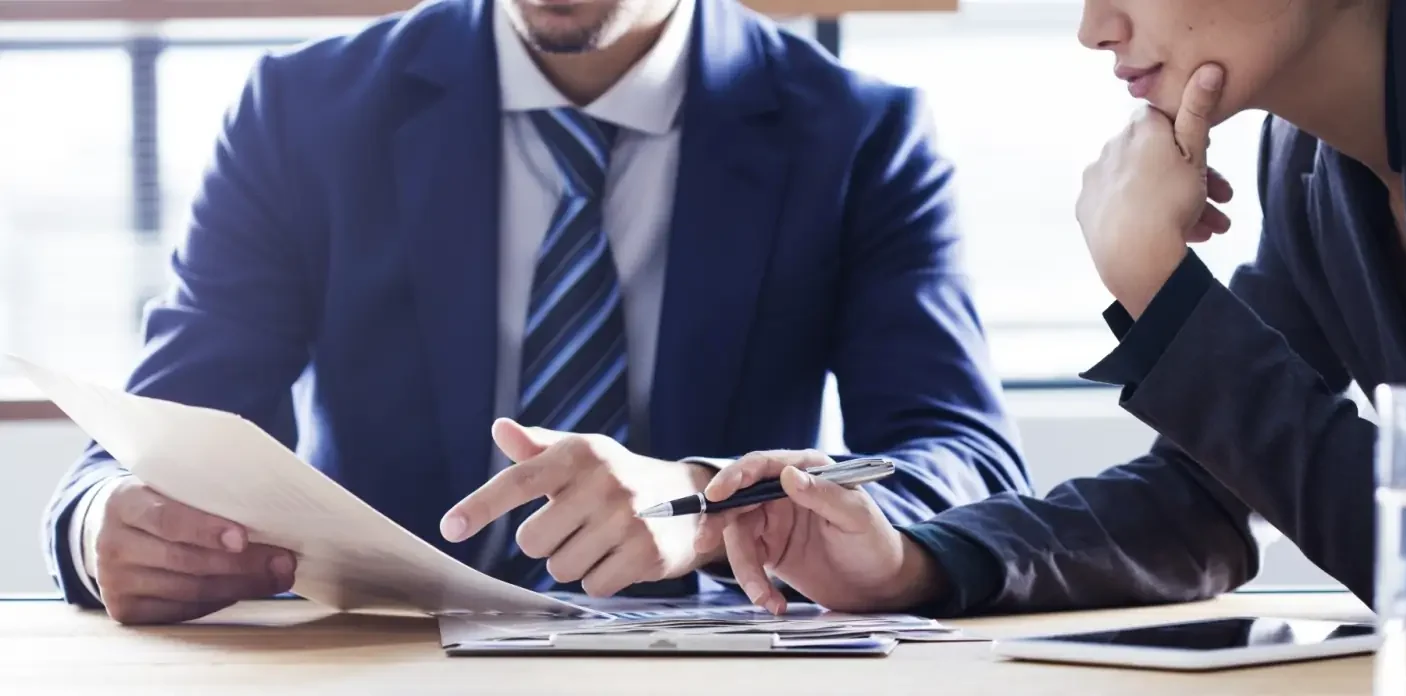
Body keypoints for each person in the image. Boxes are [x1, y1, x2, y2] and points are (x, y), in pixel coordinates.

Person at [42, 0, 1031, 625]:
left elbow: (966, 464)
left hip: (709, 658)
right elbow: (166, 422)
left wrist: (711, 506)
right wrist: (101, 528)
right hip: (378, 661)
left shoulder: (860, 133)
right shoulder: (302, 109)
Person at [700, 0, 1406, 616]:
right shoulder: (1307, 162)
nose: (1093, 27)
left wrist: (1158, 286)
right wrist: (910, 561)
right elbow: (1204, 497)